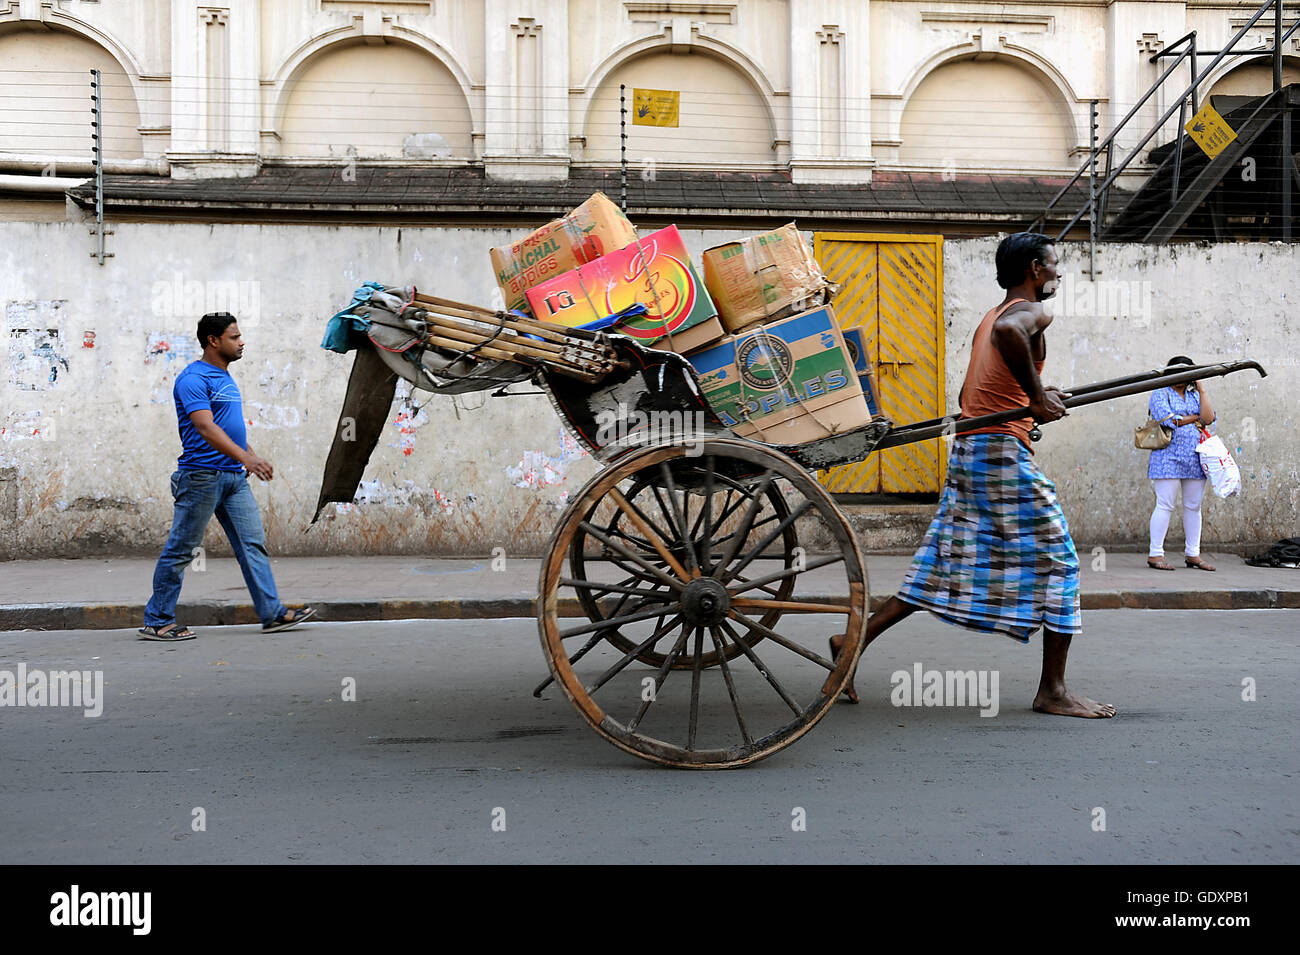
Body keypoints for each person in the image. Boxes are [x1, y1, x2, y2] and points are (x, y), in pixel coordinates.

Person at [832, 232, 1115, 718]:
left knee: (942, 564)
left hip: (975, 446)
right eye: (1054, 264)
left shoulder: (991, 315)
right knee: (1063, 564)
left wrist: (1034, 401)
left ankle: (851, 641)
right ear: (1034, 268)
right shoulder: (1030, 313)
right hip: (999, 455)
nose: (1060, 272)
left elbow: (986, 386)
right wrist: (1036, 397)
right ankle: (1052, 691)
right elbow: (1013, 344)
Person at [139, 312, 316, 641]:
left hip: (234, 478)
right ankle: (157, 619)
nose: (241, 341)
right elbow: (206, 427)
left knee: (253, 546)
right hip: (201, 477)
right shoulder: (193, 379)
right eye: (234, 337)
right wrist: (247, 456)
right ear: (213, 341)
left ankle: (272, 613)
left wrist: (246, 458)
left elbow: (227, 427)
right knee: (182, 550)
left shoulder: (225, 378)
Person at [1146, 356, 1216, 571]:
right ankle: (1155, 554)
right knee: (1165, 504)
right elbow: (1168, 420)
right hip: (1167, 456)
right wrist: (1193, 418)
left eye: (1186, 374)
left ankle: (1193, 554)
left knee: (1193, 506)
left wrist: (1202, 389)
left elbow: (1208, 418)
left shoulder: (1195, 394)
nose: (1181, 378)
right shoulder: (1160, 392)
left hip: (1195, 456)